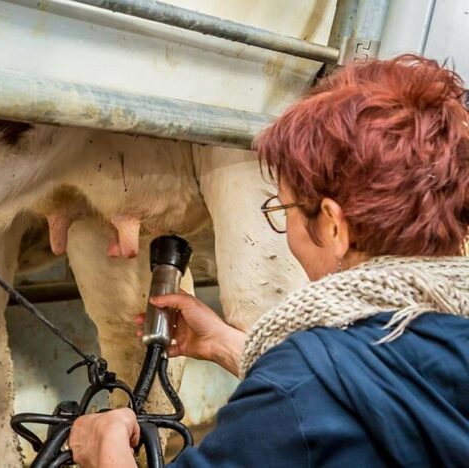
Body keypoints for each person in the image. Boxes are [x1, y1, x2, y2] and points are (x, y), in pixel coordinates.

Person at [67, 54, 469, 467]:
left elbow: (315, 396)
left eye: (284, 208)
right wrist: (223, 343)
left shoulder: (296, 391)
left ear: (333, 226)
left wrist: (105, 448)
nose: (285, 225)